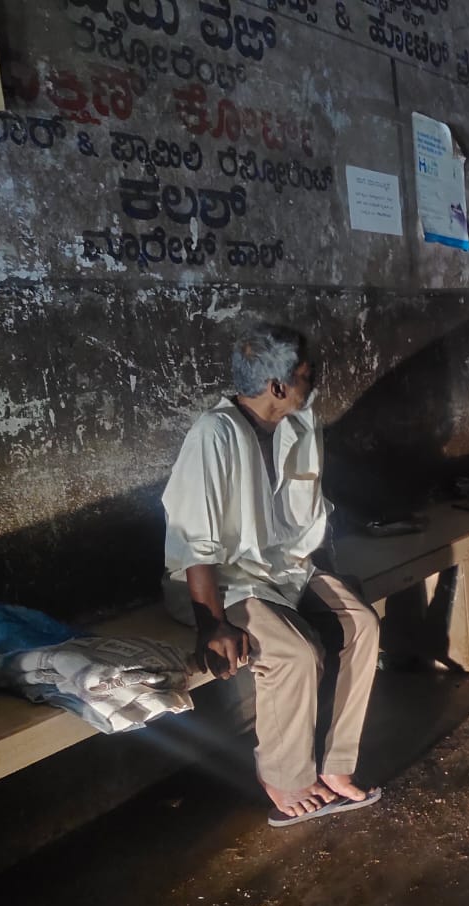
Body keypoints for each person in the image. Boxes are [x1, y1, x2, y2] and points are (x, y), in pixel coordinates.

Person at [162, 323, 381, 827]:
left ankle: (336, 764)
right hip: (219, 582)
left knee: (362, 624)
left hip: (285, 571)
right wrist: (211, 624)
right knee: (294, 654)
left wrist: (332, 583)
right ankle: (282, 776)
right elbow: (194, 544)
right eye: (307, 373)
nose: (315, 379)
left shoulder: (300, 424)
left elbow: (311, 517)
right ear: (277, 386)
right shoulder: (214, 435)